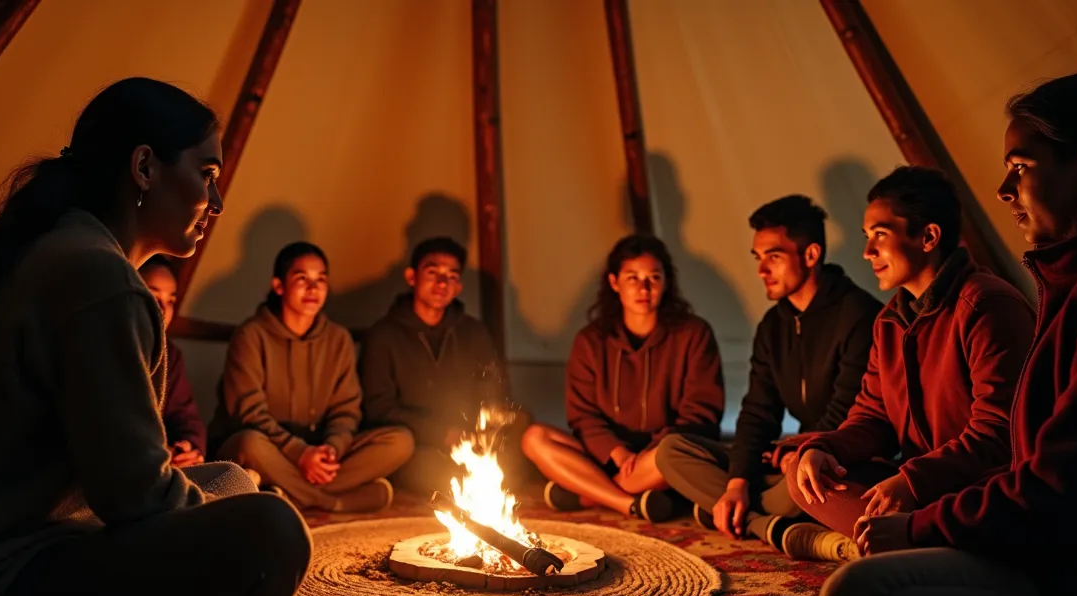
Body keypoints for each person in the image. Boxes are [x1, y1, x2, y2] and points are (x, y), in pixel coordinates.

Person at [0, 78, 312, 596]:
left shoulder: (57, 250)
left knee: (231, 479)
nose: (218, 200)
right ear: (145, 167)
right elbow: (136, 498)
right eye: (206, 174)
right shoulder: (97, 278)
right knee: (273, 532)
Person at [815, 72, 1077, 596]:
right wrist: (821, 447)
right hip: (1039, 533)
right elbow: (873, 412)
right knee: (820, 489)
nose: (1003, 188)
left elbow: (1044, 471)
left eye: (1021, 167)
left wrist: (921, 518)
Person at [784, 166, 1035, 558]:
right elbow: (872, 418)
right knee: (803, 474)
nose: (867, 252)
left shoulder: (985, 305)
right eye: (867, 237)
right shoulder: (889, 322)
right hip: (922, 487)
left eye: (879, 236)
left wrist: (911, 481)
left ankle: (920, 540)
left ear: (928, 237)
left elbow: (999, 433)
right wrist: (823, 447)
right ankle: (908, 539)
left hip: (980, 489)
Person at [656, 195, 882, 559]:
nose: (762, 270)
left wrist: (796, 449)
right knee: (671, 451)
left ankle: (736, 513)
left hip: (835, 461)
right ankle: (765, 521)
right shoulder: (772, 326)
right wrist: (737, 481)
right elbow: (758, 410)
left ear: (810, 256)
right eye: (758, 258)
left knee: (798, 478)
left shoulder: (859, 315)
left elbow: (851, 410)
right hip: (790, 461)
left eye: (773, 257)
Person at [523, 234, 724, 522]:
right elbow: (583, 416)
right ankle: (628, 503)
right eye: (633, 278)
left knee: (671, 455)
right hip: (609, 457)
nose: (644, 287)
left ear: (666, 282)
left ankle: (586, 494)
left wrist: (653, 449)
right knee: (534, 438)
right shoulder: (591, 341)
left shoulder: (694, 334)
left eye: (653, 277)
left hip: (662, 455)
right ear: (614, 282)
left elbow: (702, 411)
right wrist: (618, 453)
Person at [211, 242, 414, 513]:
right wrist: (299, 453)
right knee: (249, 443)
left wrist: (331, 449)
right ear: (279, 286)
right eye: (302, 279)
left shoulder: (338, 339)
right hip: (269, 450)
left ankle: (288, 494)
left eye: (321, 280)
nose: (313, 288)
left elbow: (346, 409)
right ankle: (333, 500)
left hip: (317, 451)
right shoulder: (251, 336)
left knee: (400, 442)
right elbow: (249, 412)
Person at [358, 236, 525, 496]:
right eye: (433, 272)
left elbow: (493, 389)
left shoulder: (473, 331)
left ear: (458, 286)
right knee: (440, 477)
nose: (442, 283)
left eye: (451, 276)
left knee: (513, 458)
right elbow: (378, 407)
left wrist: (484, 429)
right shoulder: (384, 334)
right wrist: (440, 433)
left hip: (470, 438)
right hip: (418, 443)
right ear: (412, 277)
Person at [139, 256, 206, 467]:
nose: (163, 308)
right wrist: (156, 450)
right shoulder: (106, 346)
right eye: (153, 296)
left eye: (171, 301)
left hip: (163, 461)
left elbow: (184, 415)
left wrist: (189, 446)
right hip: (124, 463)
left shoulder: (170, 355)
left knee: (231, 476)